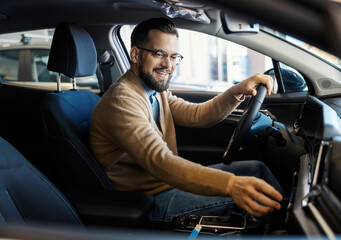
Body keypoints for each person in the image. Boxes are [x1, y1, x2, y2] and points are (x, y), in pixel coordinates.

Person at [90, 17, 284, 224]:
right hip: (150, 202)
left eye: (174, 57)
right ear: (135, 54)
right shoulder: (122, 100)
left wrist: (237, 91)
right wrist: (231, 185)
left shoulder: (154, 90)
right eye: (160, 54)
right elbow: (161, 161)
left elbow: (198, 115)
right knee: (251, 197)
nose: (168, 65)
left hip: (168, 185)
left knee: (256, 170)